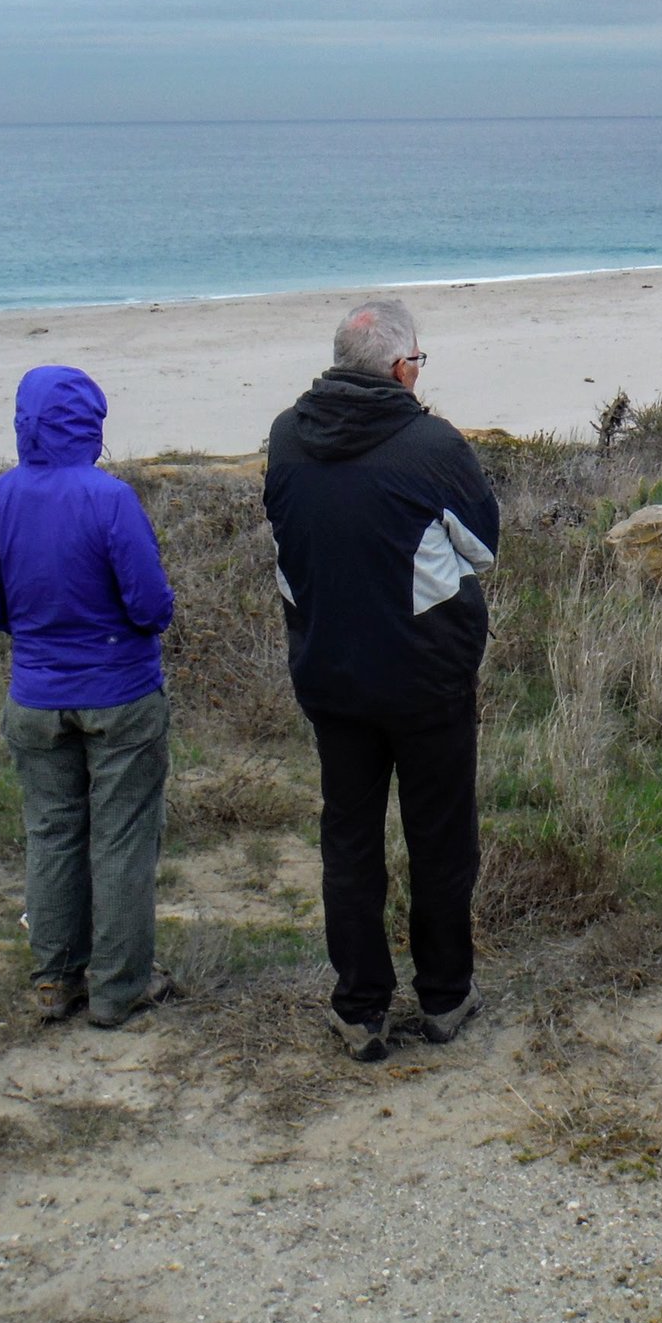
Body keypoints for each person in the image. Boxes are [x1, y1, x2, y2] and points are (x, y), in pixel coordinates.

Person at [264, 297, 500, 1062]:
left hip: (332, 673)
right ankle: (444, 996)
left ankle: (361, 1008)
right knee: (439, 839)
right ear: (403, 368)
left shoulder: (286, 437)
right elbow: (482, 546)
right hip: (426, 679)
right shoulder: (431, 442)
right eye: (419, 362)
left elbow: (289, 534)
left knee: (350, 840)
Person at [0, 367, 177, 1026]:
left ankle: (55, 980)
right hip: (121, 693)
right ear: (92, 423)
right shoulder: (109, 498)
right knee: (120, 841)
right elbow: (151, 606)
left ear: (24, 421)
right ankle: (117, 989)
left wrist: (40, 633)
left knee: (52, 834)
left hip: (36, 693)